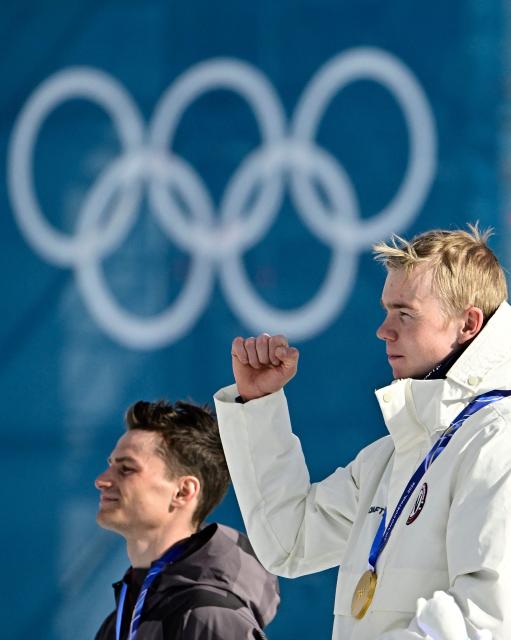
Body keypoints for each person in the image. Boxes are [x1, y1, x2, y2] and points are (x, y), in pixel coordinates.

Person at [214, 226, 511, 639]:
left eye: (405, 314)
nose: (383, 330)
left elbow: (484, 620)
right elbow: (291, 541)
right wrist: (258, 405)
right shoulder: (395, 454)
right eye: (386, 310)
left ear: (468, 324)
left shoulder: (498, 439)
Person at [94, 399, 279, 640]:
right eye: (110, 465)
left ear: (183, 492)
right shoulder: (124, 617)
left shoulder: (208, 617)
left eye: (126, 469)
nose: (101, 480)